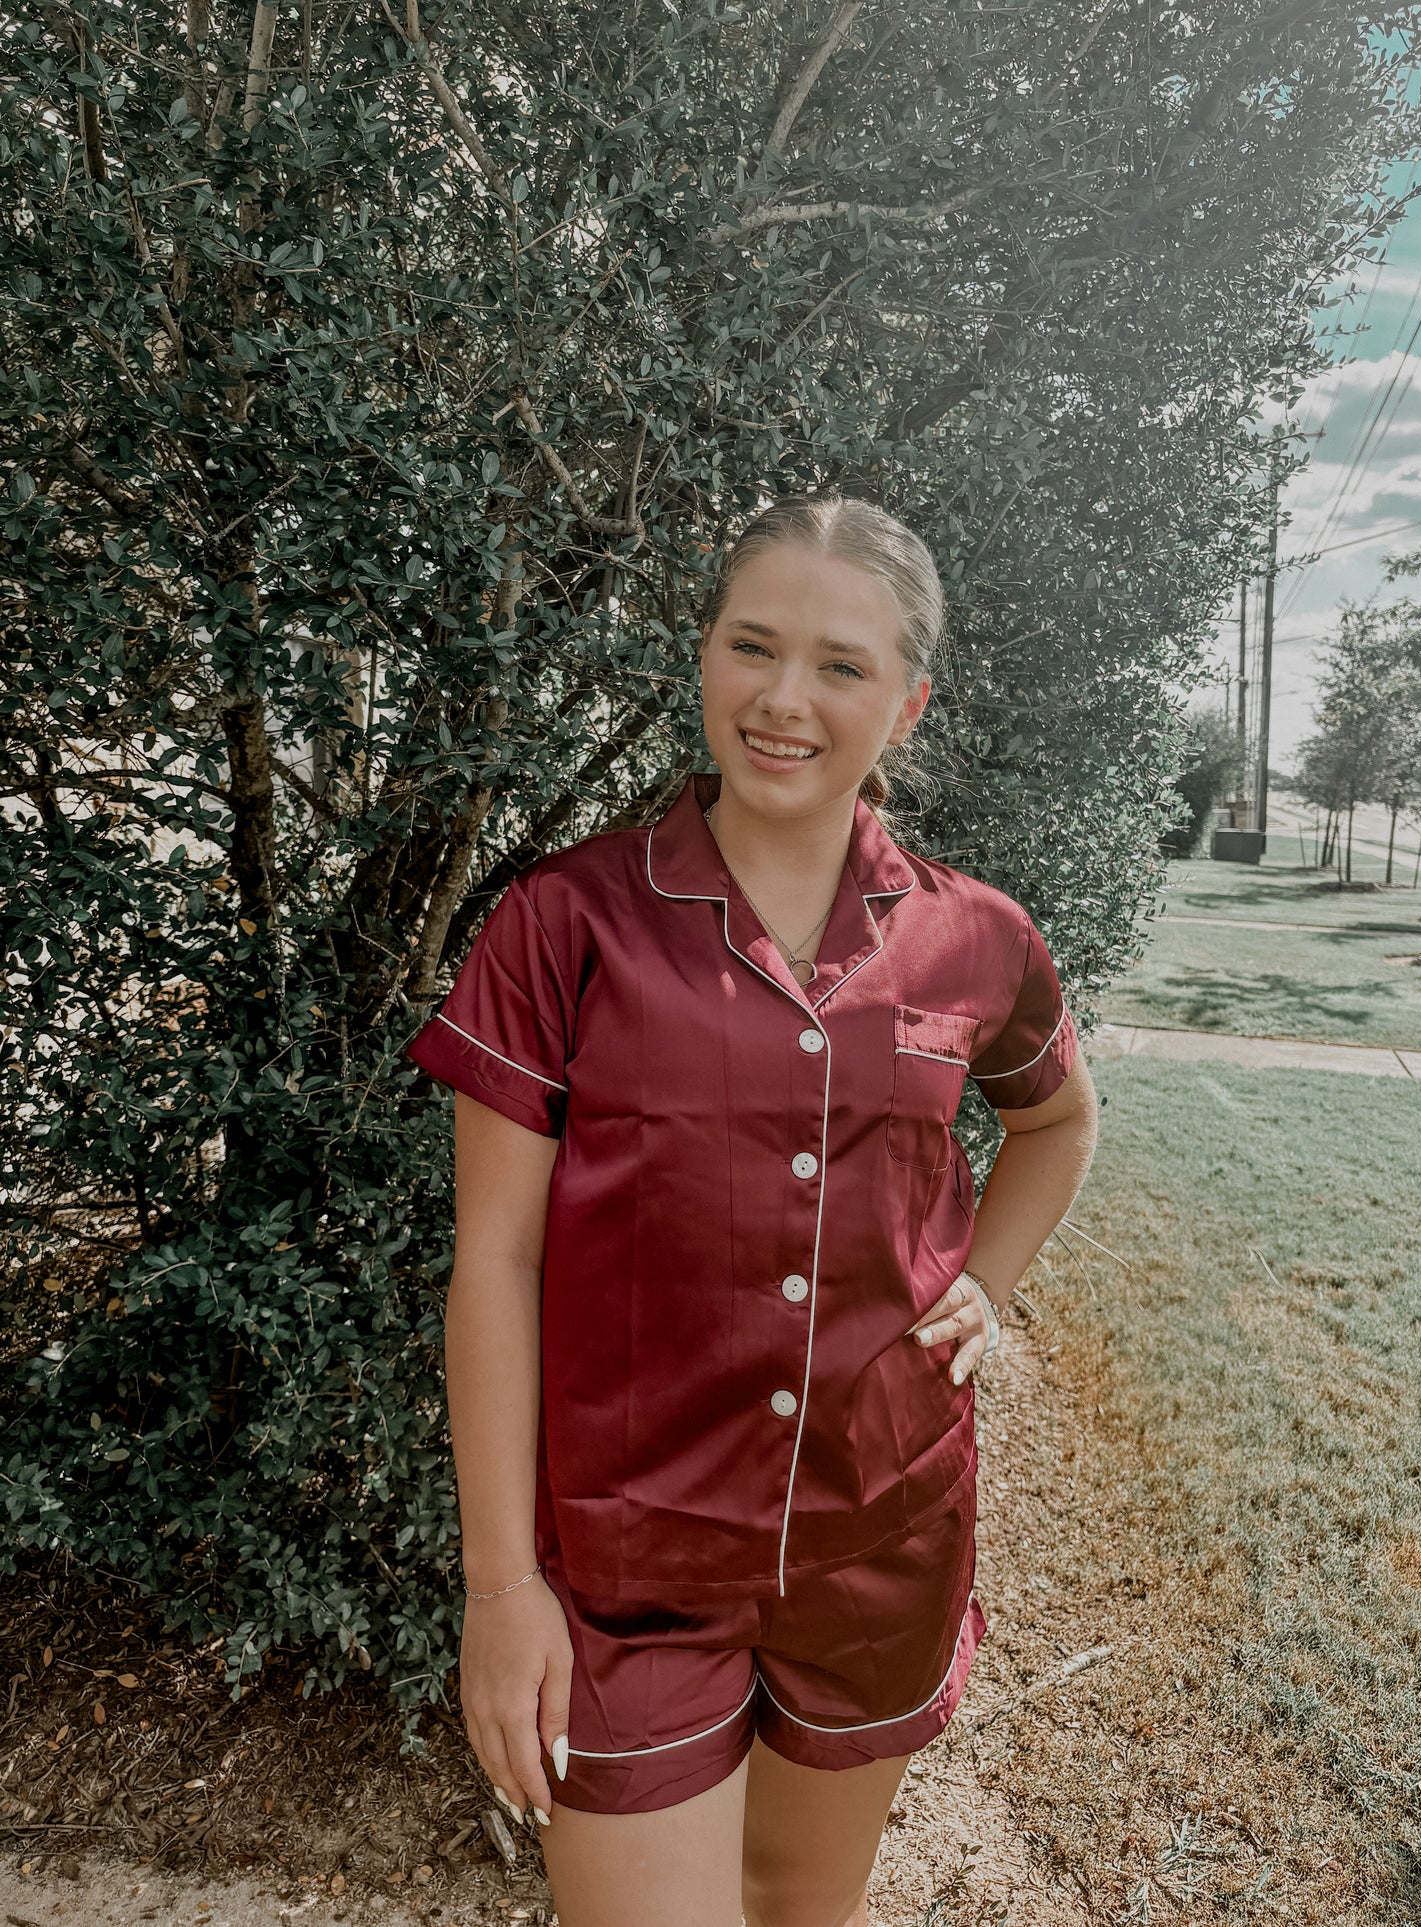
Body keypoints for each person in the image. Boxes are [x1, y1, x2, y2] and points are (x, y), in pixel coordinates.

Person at [404, 492, 1099, 1927]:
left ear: (904, 705)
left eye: (840, 666)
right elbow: (496, 1261)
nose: (784, 700)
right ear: (704, 655)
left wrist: (991, 1282)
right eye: (751, 645)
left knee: (795, 1907)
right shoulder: (563, 923)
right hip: (624, 1557)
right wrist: (498, 1590)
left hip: (879, 1536)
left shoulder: (977, 937)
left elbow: (1056, 1120)